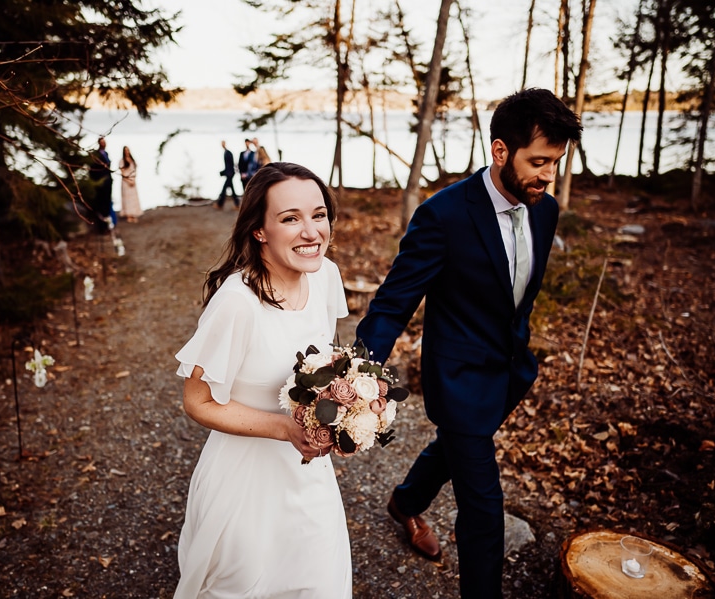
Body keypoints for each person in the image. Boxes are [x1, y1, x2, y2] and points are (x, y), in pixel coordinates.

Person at [355, 88, 582, 599]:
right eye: (539, 161)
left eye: (557, 163)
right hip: (456, 378)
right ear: (500, 151)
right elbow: (394, 303)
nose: (549, 176)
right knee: (483, 507)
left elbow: (516, 296)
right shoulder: (444, 215)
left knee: (456, 446)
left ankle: (405, 500)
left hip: (508, 372)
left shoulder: (543, 210)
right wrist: (359, 374)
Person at [173, 162, 352, 598]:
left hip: (309, 473)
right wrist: (285, 428)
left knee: (318, 581)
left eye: (319, 214)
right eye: (290, 218)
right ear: (259, 230)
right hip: (245, 481)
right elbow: (197, 402)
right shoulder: (237, 302)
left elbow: (323, 361)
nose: (311, 231)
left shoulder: (324, 276)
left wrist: (352, 406)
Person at [88, 136, 114, 233]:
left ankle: (107, 226)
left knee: (107, 205)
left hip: (108, 183)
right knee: (101, 205)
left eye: (105, 142)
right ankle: (102, 228)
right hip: (101, 185)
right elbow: (92, 171)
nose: (104, 144)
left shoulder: (105, 153)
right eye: (102, 142)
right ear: (99, 143)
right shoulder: (96, 155)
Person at [118, 146, 143, 223]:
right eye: (125, 150)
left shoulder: (132, 160)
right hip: (126, 181)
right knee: (127, 198)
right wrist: (128, 180)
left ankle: (133, 213)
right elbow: (122, 173)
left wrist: (133, 180)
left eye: (128, 150)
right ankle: (128, 214)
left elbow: (134, 170)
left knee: (133, 198)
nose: (127, 152)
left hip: (133, 180)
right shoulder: (122, 161)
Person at [216, 140, 238, 210]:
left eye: (223, 143)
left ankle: (220, 204)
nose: (222, 145)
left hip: (229, 174)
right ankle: (237, 204)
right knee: (231, 190)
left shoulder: (228, 153)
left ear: (225, 144)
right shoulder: (226, 152)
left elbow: (230, 165)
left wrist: (227, 173)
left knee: (224, 189)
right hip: (229, 174)